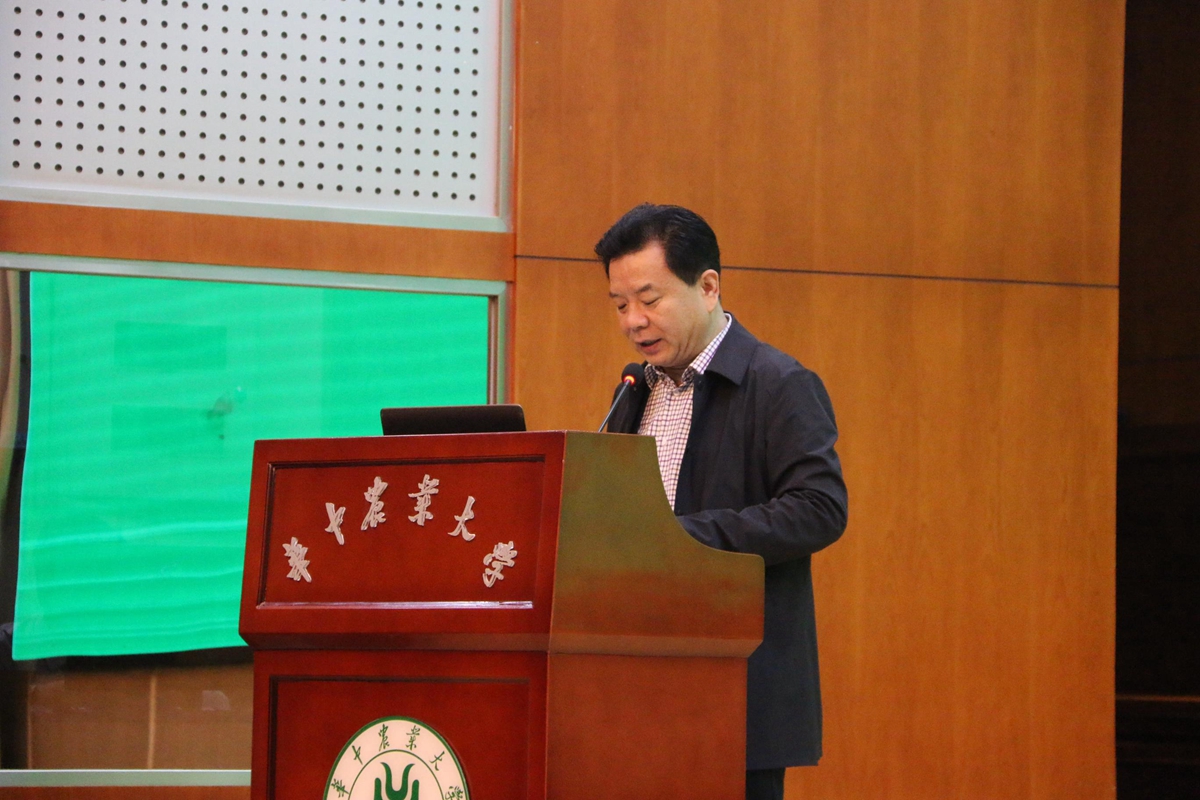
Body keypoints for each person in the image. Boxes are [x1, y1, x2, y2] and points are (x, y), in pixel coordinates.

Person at [596, 204, 848, 800]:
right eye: (620, 304)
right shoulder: (635, 390)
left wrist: (685, 538)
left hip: (735, 686)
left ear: (708, 286)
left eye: (649, 299)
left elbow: (820, 507)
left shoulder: (778, 383)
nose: (633, 321)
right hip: (636, 683)